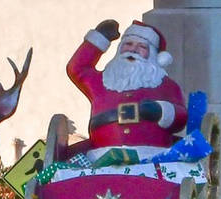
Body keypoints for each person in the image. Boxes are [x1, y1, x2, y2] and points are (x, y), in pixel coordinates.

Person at [60, 19, 187, 160]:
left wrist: (161, 110)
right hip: (102, 157)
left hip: (151, 156)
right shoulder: (102, 82)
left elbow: (180, 117)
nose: (133, 50)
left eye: (141, 47)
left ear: (152, 55)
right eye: (128, 44)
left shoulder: (166, 85)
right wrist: (99, 39)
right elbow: (77, 68)